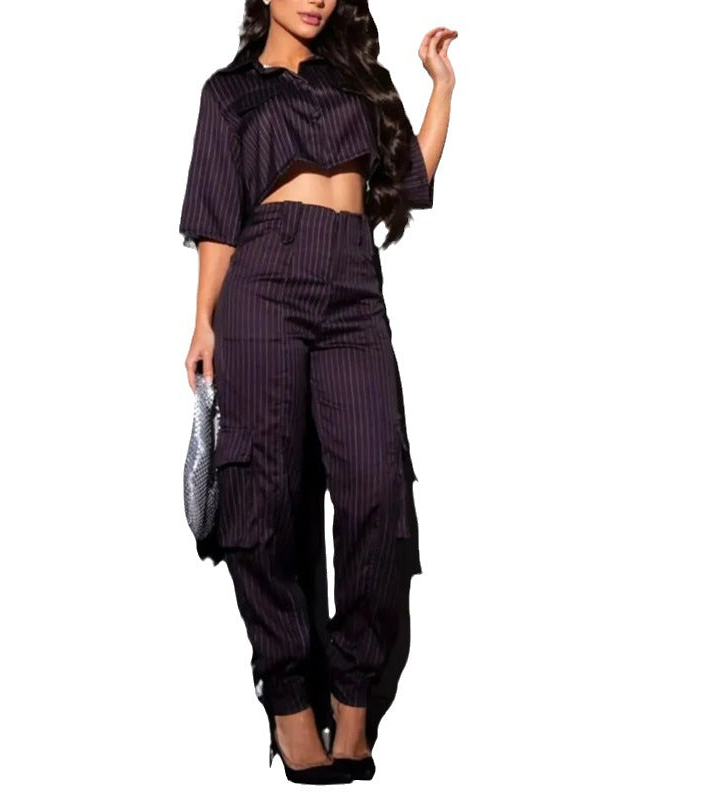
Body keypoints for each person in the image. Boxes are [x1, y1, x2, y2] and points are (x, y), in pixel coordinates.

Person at [179, 0, 456, 784]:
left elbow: (411, 180)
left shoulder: (358, 80)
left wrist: (441, 86)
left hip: (353, 290)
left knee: (377, 491)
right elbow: (216, 218)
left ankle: (355, 699)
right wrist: (202, 320)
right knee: (262, 495)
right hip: (264, 282)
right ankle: (291, 703)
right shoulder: (230, 93)